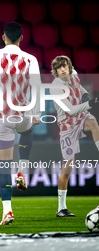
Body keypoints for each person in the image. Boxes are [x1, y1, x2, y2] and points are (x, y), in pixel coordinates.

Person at [0, 22, 41, 225]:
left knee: (4, 164)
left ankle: (7, 212)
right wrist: (37, 113)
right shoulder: (31, 59)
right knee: (28, 130)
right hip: (23, 114)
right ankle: (23, 169)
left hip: (0, 116)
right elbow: (37, 88)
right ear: (21, 38)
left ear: (3, 37)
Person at [49, 56, 99, 217]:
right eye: (59, 67)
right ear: (55, 71)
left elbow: (81, 89)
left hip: (81, 117)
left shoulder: (75, 74)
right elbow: (70, 110)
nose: (63, 69)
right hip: (67, 126)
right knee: (68, 168)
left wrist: (85, 94)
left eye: (65, 66)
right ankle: (61, 208)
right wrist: (89, 103)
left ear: (69, 67)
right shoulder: (55, 88)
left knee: (92, 121)